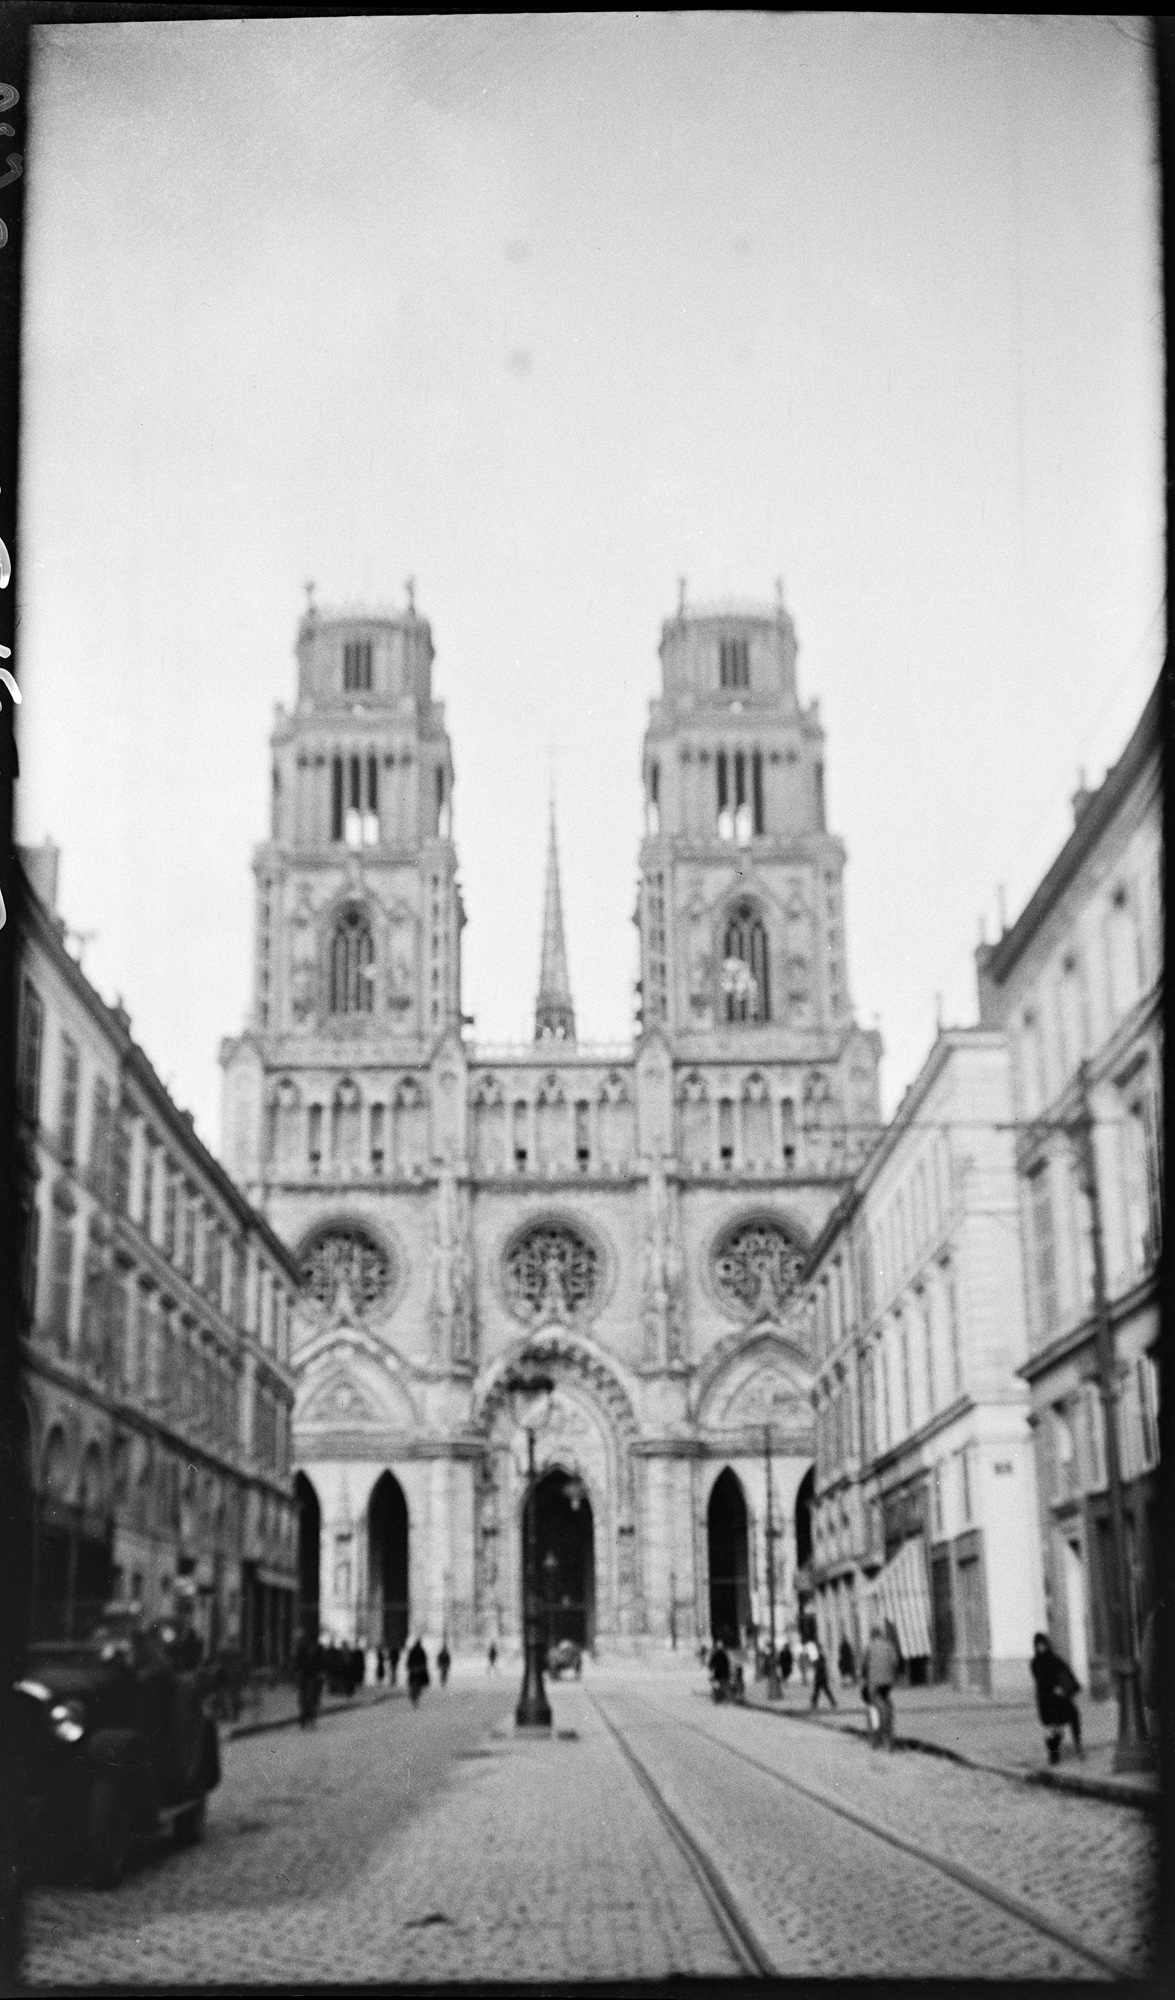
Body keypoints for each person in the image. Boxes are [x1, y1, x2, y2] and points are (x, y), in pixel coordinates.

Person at [1030, 1631, 1082, 1763]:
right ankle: (1053, 1754)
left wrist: (1067, 1687)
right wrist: (1054, 1688)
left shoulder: (1054, 1659)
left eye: (1043, 1645)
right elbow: (1041, 1680)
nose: (1041, 1648)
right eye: (1038, 1645)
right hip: (1046, 1700)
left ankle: (1077, 1746)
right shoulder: (1035, 1663)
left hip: (1060, 1698)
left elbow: (1066, 1671)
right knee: (1053, 1727)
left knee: (1072, 1717)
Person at [862, 1622, 899, 1750]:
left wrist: (864, 1676)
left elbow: (865, 1665)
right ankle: (889, 1737)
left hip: (875, 1683)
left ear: (872, 1635)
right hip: (888, 1683)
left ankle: (876, 1739)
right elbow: (895, 1661)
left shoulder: (870, 1646)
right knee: (886, 1703)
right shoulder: (889, 1645)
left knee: (873, 1708)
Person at [810, 1641, 837, 1710]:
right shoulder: (820, 1655)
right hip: (821, 1676)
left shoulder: (820, 1656)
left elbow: (820, 1666)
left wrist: (815, 1664)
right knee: (820, 1691)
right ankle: (832, 1702)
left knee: (820, 1690)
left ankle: (814, 1703)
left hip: (820, 1676)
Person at [406, 1636, 429, 1706]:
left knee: (413, 1683)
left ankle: (413, 1695)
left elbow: (409, 1659)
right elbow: (424, 1660)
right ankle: (415, 1696)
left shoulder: (413, 1650)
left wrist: (410, 1666)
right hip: (418, 1670)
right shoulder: (421, 1651)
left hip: (414, 1669)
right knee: (418, 1684)